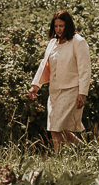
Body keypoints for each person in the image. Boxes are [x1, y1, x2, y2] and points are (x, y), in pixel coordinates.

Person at [27, 10, 91, 150]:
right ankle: (84, 150)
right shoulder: (52, 43)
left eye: (61, 26)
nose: (58, 29)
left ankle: (59, 158)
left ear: (68, 25)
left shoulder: (78, 42)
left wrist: (82, 93)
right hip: (54, 91)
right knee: (55, 127)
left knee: (56, 127)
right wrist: (35, 86)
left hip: (72, 90)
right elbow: (45, 64)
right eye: (56, 26)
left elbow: (85, 69)